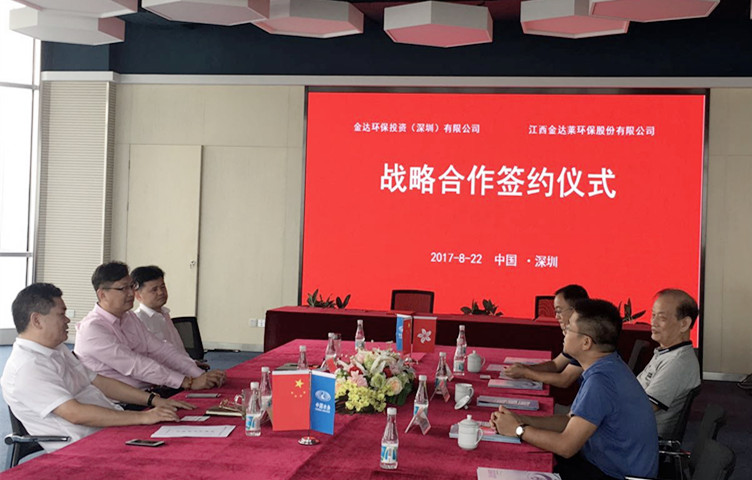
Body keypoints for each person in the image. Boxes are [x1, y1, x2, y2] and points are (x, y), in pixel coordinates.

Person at [1, 283, 196, 452]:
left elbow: (99, 382)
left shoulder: (56, 349)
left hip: (110, 429)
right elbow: (75, 413)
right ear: (36, 320)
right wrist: (143, 417)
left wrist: (154, 401)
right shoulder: (27, 367)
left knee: (187, 436)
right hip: (85, 447)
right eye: (61, 314)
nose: (67, 320)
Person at [491, 299, 658, 480]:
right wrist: (521, 419)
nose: (564, 331)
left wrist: (518, 430)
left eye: (569, 328)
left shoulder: (601, 381)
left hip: (613, 475)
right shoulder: (607, 366)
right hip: (598, 463)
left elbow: (566, 447)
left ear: (586, 342)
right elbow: (569, 421)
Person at [74, 261, 225, 394]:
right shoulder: (92, 329)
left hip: (152, 393)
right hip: (118, 405)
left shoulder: (129, 317)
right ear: (102, 295)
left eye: (131, 286)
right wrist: (188, 382)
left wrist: (199, 375)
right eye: (123, 288)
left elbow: (161, 350)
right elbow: (135, 365)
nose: (131, 293)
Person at [637, 288, 701, 439]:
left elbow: (644, 408)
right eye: (653, 315)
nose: (653, 322)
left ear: (684, 324)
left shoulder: (677, 363)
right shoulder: (667, 353)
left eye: (662, 318)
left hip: (640, 438)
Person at [503, 284, 588, 388]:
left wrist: (525, 373)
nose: (556, 317)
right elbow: (555, 365)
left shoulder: (586, 337)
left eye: (559, 311)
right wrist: (525, 368)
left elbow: (564, 380)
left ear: (574, 310)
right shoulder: (577, 333)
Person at [131, 265, 210, 369]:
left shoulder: (164, 314)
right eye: (154, 290)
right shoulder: (139, 320)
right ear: (137, 295)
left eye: (162, 287)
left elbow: (178, 349)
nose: (161, 292)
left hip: (182, 369)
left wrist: (191, 363)